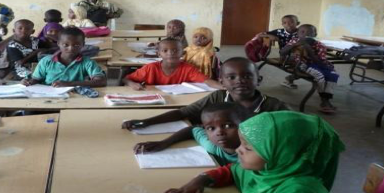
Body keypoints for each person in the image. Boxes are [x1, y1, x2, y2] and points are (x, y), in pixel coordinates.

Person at [164, 111, 345, 193]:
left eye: (247, 147)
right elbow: (232, 171)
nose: (237, 150)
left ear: (283, 154)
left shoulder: (301, 191)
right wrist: (201, 180)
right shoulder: (265, 170)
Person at [123, 57, 288, 128]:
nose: (239, 81)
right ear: (221, 82)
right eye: (231, 77)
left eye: (247, 76)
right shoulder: (219, 96)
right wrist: (146, 122)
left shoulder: (275, 106)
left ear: (258, 80)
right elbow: (184, 112)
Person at [134, 102, 241, 166]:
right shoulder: (212, 146)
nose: (219, 132)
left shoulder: (254, 153)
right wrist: (165, 143)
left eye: (227, 126)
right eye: (211, 128)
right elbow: (193, 130)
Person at [281, 24, 339, 114]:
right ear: (298, 34)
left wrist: (309, 50)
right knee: (319, 76)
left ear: (314, 34)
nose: (305, 34)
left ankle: (326, 97)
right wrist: (294, 45)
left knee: (333, 75)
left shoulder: (319, 45)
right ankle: (324, 101)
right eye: (302, 32)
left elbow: (320, 62)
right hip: (302, 65)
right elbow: (282, 52)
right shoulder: (294, 41)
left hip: (317, 64)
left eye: (310, 32)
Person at [22, 27, 106, 88]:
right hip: (48, 97)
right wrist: (28, 82)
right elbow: (36, 79)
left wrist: (69, 84)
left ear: (83, 45)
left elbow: (101, 81)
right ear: (58, 43)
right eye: (66, 45)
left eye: (76, 45)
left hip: (75, 98)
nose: (71, 48)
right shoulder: (46, 61)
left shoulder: (87, 63)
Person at [123, 38, 221, 90]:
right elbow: (126, 79)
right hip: (154, 98)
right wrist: (132, 84)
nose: (170, 53)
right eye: (165, 51)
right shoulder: (150, 68)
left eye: (175, 50)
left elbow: (206, 81)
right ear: (159, 54)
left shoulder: (188, 69)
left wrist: (224, 87)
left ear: (182, 53)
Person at [257, 14, 300, 88]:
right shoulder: (279, 31)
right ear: (282, 24)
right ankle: (289, 79)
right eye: (285, 23)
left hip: (299, 56)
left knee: (309, 67)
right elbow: (259, 35)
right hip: (285, 56)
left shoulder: (301, 32)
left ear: (298, 23)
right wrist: (271, 36)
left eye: (291, 22)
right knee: (306, 67)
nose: (288, 24)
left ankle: (289, 79)